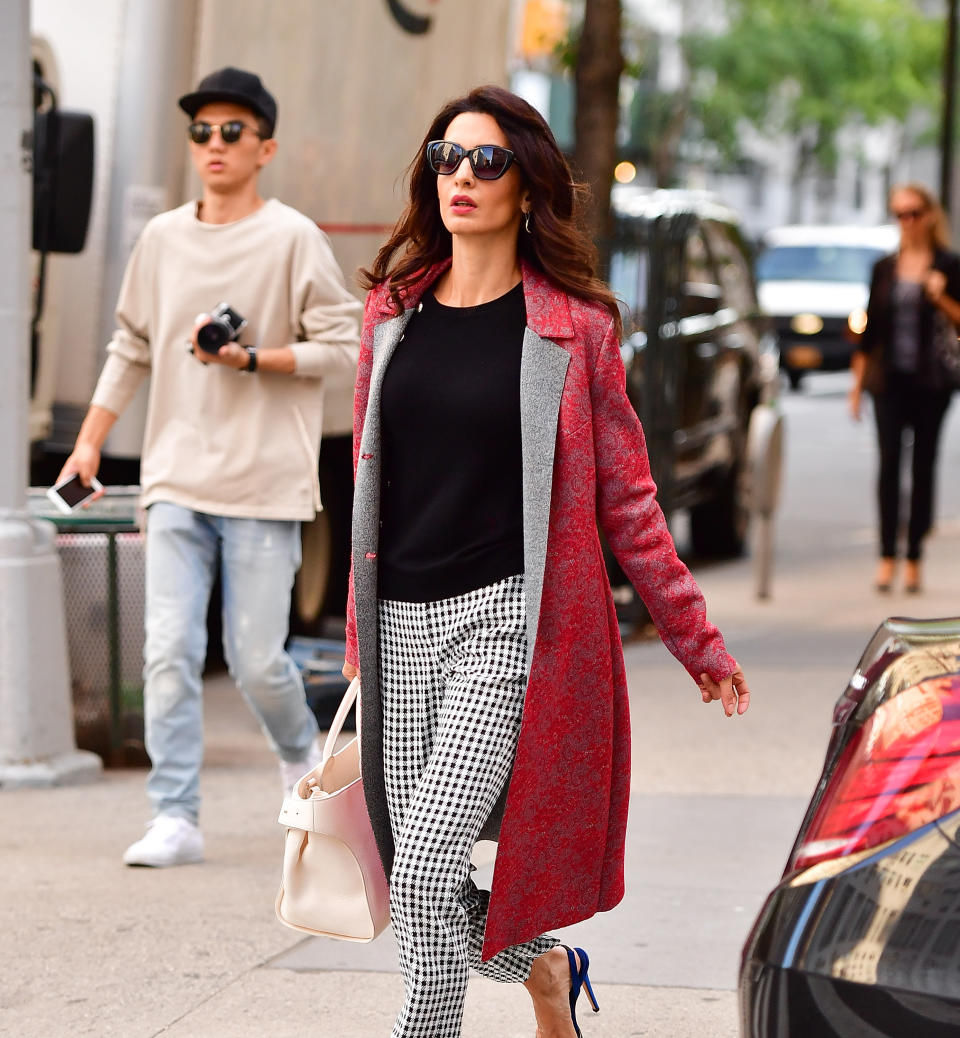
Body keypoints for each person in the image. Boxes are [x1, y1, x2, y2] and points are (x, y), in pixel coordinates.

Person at [341, 85, 750, 1038]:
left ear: (528, 186)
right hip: (400, 626)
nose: (462, 178)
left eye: (486, 162)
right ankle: (547, 966)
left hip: (502, 624)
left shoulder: (574, 329)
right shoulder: (389, 314)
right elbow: (369, 480)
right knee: (415, 876)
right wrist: (361, 635)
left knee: (437, 862)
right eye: (447, 157)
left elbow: (630, 501)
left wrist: (698, 639)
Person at [57, 67, 362, 868]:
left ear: (265, 147)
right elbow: (130, 343)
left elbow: (346, 342)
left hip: (265, 484)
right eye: (202, 132)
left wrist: (253, 357)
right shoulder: (161, 238)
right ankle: (175, 815)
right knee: (167, 650)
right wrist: (89, 440)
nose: (215, 145)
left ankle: (301, 756)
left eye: (233, 132)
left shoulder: (292, 237)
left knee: (260, 658)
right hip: (176, 479)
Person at [849, 183, 960, 594]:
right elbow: (870, 330)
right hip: (889, 381)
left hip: (933, 384)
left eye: (914, 213)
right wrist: (856, 386)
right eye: (900, 214)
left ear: (930, 215)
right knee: (889, 465)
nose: (907, 222)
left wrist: (942, 296)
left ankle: (914, 556)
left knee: (924, 467)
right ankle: (886, 556)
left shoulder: (949, 265)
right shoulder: (884, 267)